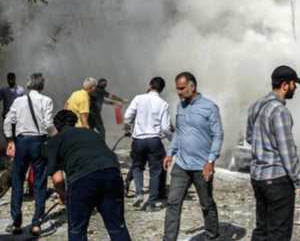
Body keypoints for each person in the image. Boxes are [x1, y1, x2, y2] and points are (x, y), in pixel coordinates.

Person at [247, 65, 300, 241]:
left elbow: (250, 137)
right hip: (277, 181)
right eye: (294, 84)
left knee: (262, 231)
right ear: (285, 85)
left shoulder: (255, 106)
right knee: (279, 235)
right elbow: (287, 153)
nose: (295, 88)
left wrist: (265, 149)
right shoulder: (280, 111)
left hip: (258, 178)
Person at [47, 110, 132, 241]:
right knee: (117, 227)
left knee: (77, 230)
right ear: (74, 123)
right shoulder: (91, 132)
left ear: (56, 127)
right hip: (112, 173)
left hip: (82, 179)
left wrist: (63, 196)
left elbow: (58, 180)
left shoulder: (55, 140)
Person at [162, 72, 223, 241]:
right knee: (173, 202)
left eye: (182, 88)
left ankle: (212, 237)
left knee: (206, 204)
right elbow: (179, 133)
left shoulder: (209, 107)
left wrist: (210, 161)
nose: (179, 92)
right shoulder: (180, 106)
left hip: (201, 166)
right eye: (177, 89)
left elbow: (218, 136)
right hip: (181, 164)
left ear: (192, 86)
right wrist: (170, 153)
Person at [2, 73, 54, 236]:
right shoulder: (47, 101)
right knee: (40, 183)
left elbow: (8, 121)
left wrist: (11, 141)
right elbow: (48, 125)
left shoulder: (19, 101)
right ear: (42, 86)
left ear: (28, 85)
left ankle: (16, 223)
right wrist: (51, 136)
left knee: (17, 181)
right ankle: (37, 224)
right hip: (39, 143)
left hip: (22, 142)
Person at [123, 76, 172, 211]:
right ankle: (151, 203)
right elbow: (166, 128)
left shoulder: (139, 98)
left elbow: (127, 116)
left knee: (137, 167)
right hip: (154, 141)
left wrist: (128, 129)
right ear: (162, 89)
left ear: (150, 86)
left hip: (138, 140)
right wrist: (173, 141)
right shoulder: (163, 104)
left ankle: (138, 193)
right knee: (155, 172)